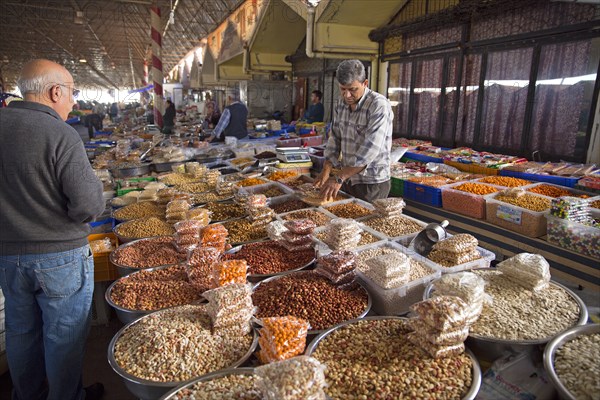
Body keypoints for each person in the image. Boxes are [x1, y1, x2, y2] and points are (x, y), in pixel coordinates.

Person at [0, 59, 106, 400]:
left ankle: (26, 395)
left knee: (21, 332)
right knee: (63, 334)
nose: (74, 101)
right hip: (60, 256)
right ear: (54, 91)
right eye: (72, 93)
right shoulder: (59, 132)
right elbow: (89, 203)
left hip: (7, 255)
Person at [314, 59, 393, 203]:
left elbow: (370, 151)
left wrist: (339, 177)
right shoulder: (341, 103)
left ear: (365, 83)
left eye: (353, 89)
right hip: (348, 178)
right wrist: (327, 168)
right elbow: (335, 138)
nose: (347, 95)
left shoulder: (378, 105)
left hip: (371, 183)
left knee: (365, 221)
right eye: (343, 89)